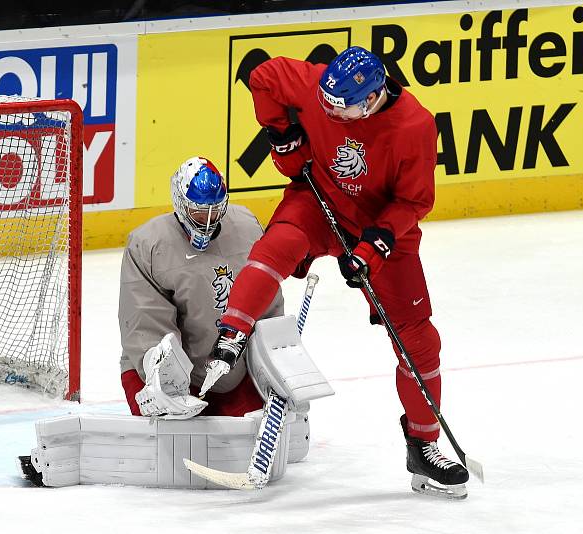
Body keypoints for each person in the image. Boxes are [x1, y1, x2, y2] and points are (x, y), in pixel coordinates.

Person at [201, 46, 470, 498]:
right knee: (276, 246)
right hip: (318, 199)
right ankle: (232, 333)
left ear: (371, 98)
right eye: (324, 101)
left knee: (420, 341)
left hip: (381, 226)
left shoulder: (414, 126)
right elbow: (263, 76)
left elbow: (414, 202)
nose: (327, 110)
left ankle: (423, 446)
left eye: (339, 106)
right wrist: (283, 133)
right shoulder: (318, 83)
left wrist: (374, 245)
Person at [118, 155, 284, 418]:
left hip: (236, 372)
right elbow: (144, 323)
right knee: (175, 449)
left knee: (257, 437)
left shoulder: (246, 227)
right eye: (199, 210)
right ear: (180, 203)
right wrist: (167, 383)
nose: (208, 220)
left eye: (215, 210)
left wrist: (277, 358)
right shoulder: (148, 245)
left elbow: (267, 302)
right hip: (166, 373)